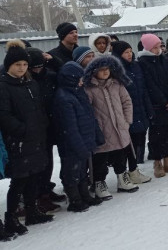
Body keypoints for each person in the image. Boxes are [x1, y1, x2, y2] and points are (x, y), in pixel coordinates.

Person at [0, 40, 55, 235]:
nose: (21, 68)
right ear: (9, 66)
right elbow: (4, 115)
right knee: (19, 180)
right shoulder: (4, 85)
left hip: (37, 138)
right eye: (17, 65)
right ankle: (11, 217)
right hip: (19, 141)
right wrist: (21, 131)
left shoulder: (31, 83)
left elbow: (38, 108)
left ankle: (32, 211)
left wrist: (42, 126)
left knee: (34, 177)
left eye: (24, 65)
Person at [84, 55, 139, 198]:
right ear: (93, 71)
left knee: (120, 156)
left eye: (107, 69)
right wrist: (94, 128)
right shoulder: (89, 88)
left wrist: (127, 121)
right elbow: (87, 110)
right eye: (101, 70)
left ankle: (122, 178)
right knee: (100, 160)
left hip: (120, 128)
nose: (105, 72)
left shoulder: (117, 84)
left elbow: (127, 102)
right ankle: (99, 183)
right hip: (102, 130)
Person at [52, 62, 104, 213]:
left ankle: (85, 195)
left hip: (84, 139)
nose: (82, 81)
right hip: (72, 144)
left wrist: (96, 135)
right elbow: (70, 127)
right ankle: (75, 199)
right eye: (79, 78)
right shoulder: (64, 98)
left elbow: (89, 115)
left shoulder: (78, 92)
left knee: (81, 170)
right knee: (71, 172)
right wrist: (79, 146)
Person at [136, 34, 168, 178]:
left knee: (167, 132)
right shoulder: (143, 62)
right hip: (155, 105)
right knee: (156, 135)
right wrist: (163, 100)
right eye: (154, 48)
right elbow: (150, 85)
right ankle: (157, 162)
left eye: (159, 47)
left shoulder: (164, 60)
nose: (158, 50)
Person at [26, 47, 65, 214]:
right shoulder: (26, 81)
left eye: (40, 66)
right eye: (33, 67)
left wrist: (53, 60)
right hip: (34, 128)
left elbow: (65, 72)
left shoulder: (49, 75)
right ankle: (37, 196)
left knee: (48, 161)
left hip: (50, 124)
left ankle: (45, 191)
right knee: (37, 164)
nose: (37, 70)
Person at [111, 41, 152, 185]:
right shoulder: (115, 70)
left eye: (130, 51)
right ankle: (126, 173)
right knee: (126, 145)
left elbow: (144, 89)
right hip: (125, 113)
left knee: (137, 141)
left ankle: (134, 170)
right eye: (125, 52)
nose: (129, 54)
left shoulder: (136, 66)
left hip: (140, 109)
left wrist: (148, 109)